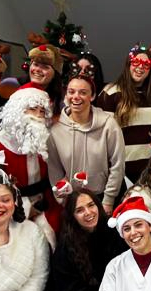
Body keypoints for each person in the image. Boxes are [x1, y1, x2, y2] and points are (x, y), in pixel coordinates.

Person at [41, 189, 125, 291]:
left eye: (91, 205)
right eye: (79, 210)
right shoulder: (66, 247)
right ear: (72, 216)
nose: (88, 213)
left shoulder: (114, 232)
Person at [48, 74, 126, 214]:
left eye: (83, 92)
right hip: (72, 199)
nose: (76, 96)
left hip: (102, 197)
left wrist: (108, 200)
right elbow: (54, 169)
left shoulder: (108, 124)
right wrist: (63, 199)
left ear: (93, 96)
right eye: (71, 92)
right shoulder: (56, 129)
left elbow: (117, 165)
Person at [0, 86, 54, 224]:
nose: (38, 116)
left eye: (42, 112)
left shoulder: (44, 141)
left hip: (45, 209)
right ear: (17, 111)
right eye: (33, 109)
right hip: (11, 212)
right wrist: (27, 208)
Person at [99, 45, 151, 182]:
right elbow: (104, 135)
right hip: (120, 169)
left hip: (148, 168)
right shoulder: (111, 93)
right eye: (135, 63)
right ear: (128, 65)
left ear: (150, 70)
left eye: (146, 65)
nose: (140, 67)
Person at [22, 43, 70, 112]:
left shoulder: (60, 101)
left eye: (45, 67)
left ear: (55, 74)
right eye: (35, 64)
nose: (38, 70)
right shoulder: (12, 86)